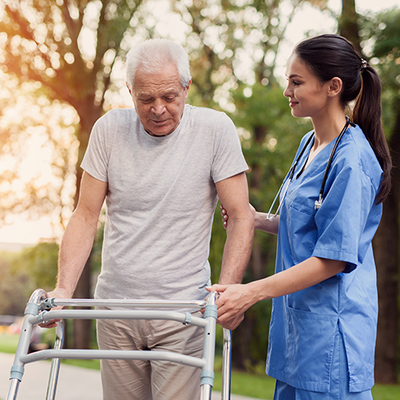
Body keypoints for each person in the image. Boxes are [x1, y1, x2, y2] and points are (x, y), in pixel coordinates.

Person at [46, 39, 254, 400]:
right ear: (130, 91)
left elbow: (240, 216)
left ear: (187, 88)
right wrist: (64, 289)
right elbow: (85, 215)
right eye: (145, 99)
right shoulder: (109, 130)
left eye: (170, 97)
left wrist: (228, 291)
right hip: (115, 311)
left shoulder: (215, 130)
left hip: (183, 312)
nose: (158, 109)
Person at [210, 34, 392, 400]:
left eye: (296, 82)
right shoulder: (309, 144)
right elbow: (310, 225)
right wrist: (259, 219)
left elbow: (333, 258)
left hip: (331, 340)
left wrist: (250, 291)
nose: (286, 91)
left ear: (332, 87)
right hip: (297, 332)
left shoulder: (352, 161)